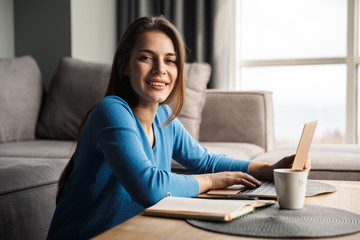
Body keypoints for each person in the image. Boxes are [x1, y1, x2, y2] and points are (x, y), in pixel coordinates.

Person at [47, 16, 311, 240]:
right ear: (124, 66)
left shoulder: (163, 118)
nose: (160, 69)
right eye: (147, 57)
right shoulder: (112, 111)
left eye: (170, 60)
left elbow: (204, 160)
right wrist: (212, 182)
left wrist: (268, 169)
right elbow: (150, 188)